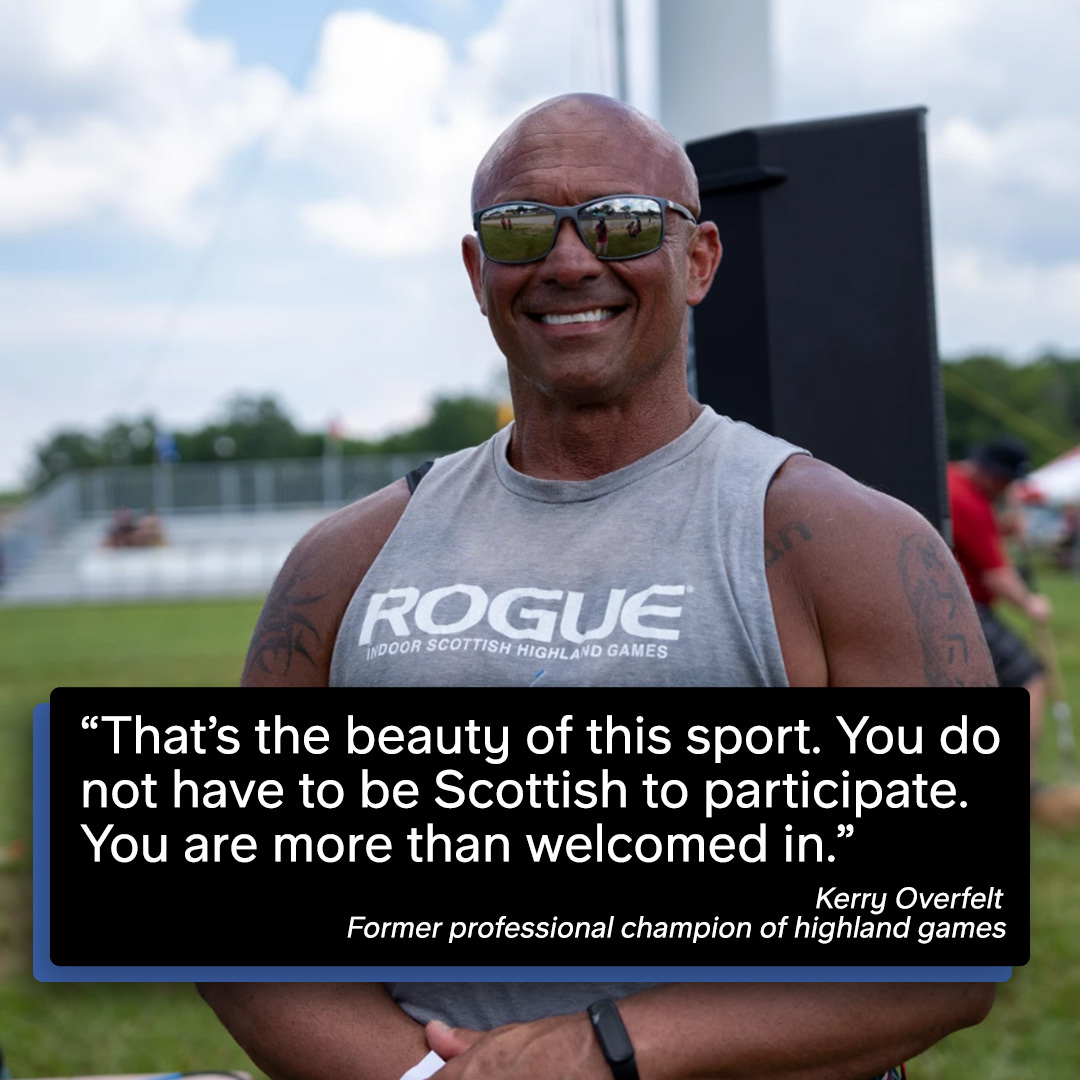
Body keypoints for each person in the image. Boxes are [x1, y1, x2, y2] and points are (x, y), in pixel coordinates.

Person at [199, 94, 995, 1080]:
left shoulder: (848, 545)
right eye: (522, 229)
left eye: (621, 221)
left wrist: (598, 1053)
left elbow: (944, 954)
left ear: (698, 258)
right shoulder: (344, 561)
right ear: (477, 270)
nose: (571, 260)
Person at [946, 437, 1049, 786]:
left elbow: (970, 541)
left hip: (947, 601)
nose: (1008, 489)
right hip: (962, 608)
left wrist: (1004, 527)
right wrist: (1031, 605)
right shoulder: (968, 501)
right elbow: (997, 575)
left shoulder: (953, 483)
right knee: (1027, 678)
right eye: (1007, 482)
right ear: (994, 475)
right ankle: (1027, 783)